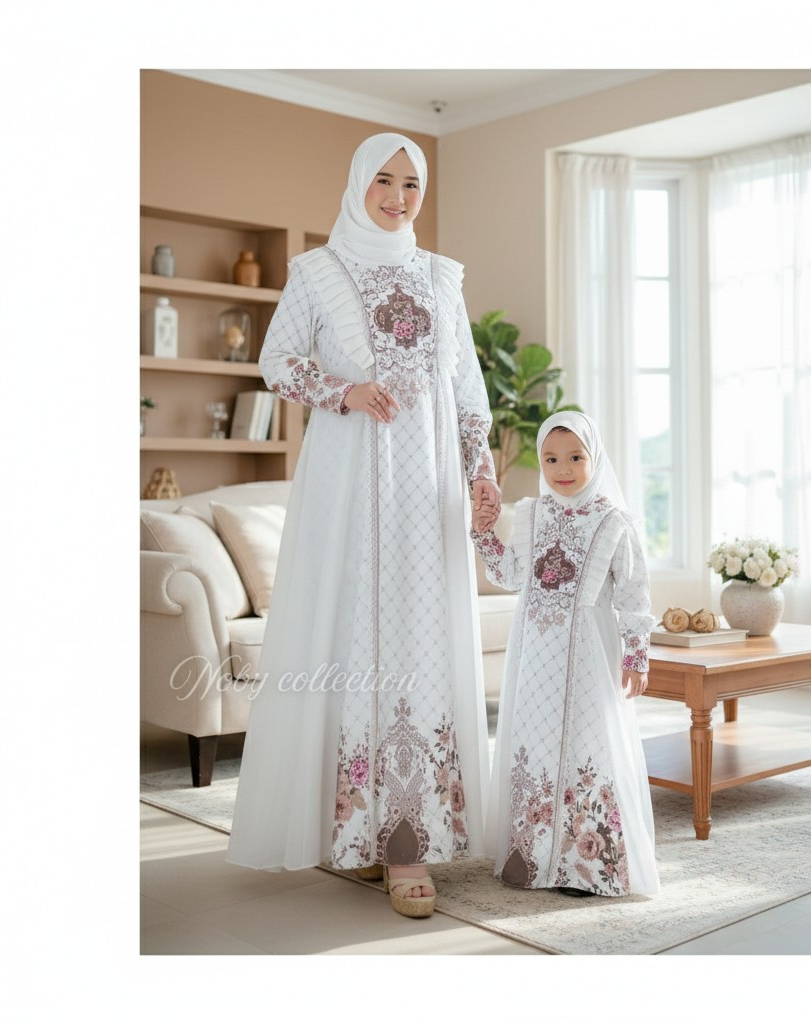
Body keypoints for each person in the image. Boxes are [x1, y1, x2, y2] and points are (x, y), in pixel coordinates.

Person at [226, 133, 501, 919]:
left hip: (427, 493)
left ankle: (408, 837)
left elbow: (468, 393)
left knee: (420, 644)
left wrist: (481, 473)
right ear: (358, 184)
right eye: (384, 180)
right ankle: (355, 830)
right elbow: (277, 362)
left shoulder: (442, 277)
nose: (398, 196)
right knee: (351, 639)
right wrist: (344, 392)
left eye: (412, 184)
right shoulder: (316, 271)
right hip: (348, 489)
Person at [470, 411, 660, 897]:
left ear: (595, 458)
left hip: (589, 651)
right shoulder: (532, 513)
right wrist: (485, 534)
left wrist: (636, 655)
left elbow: (634, 592)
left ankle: (584, 863)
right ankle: (532, 855)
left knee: (587, 740)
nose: (563, 469)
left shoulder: (613, 521)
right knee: (535, 739)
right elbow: (511, 576)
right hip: (534, 651)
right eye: (551, 459)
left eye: (576, 457)